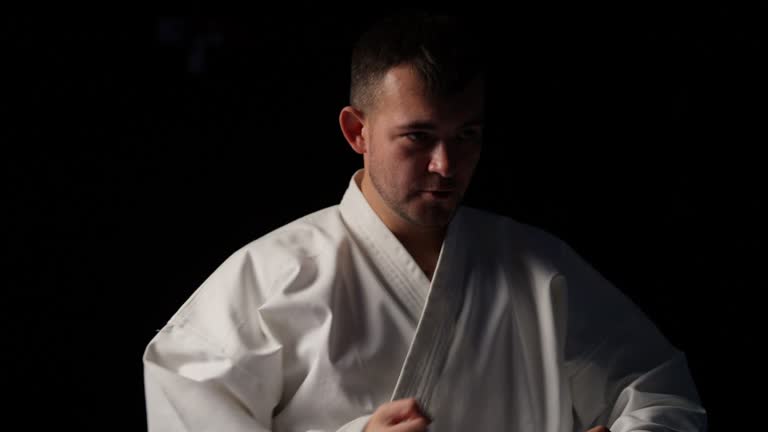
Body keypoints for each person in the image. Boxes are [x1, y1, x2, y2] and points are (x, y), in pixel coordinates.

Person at [142, 14, 707, 432]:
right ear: (356, 132)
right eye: (418, 137)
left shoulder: (540, 269)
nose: (446, 165)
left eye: (467, 136)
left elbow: (664, 396)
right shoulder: (269, 279)